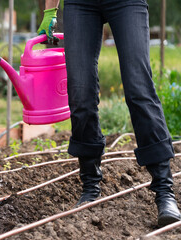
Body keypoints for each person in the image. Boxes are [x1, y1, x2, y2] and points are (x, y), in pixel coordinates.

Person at [37, 0, 181, 226]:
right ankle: (90, 185)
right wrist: (49, 10)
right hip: (81, 4)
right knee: (80, 94)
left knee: (139, 89)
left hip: (126, 3)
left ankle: (164, 191)